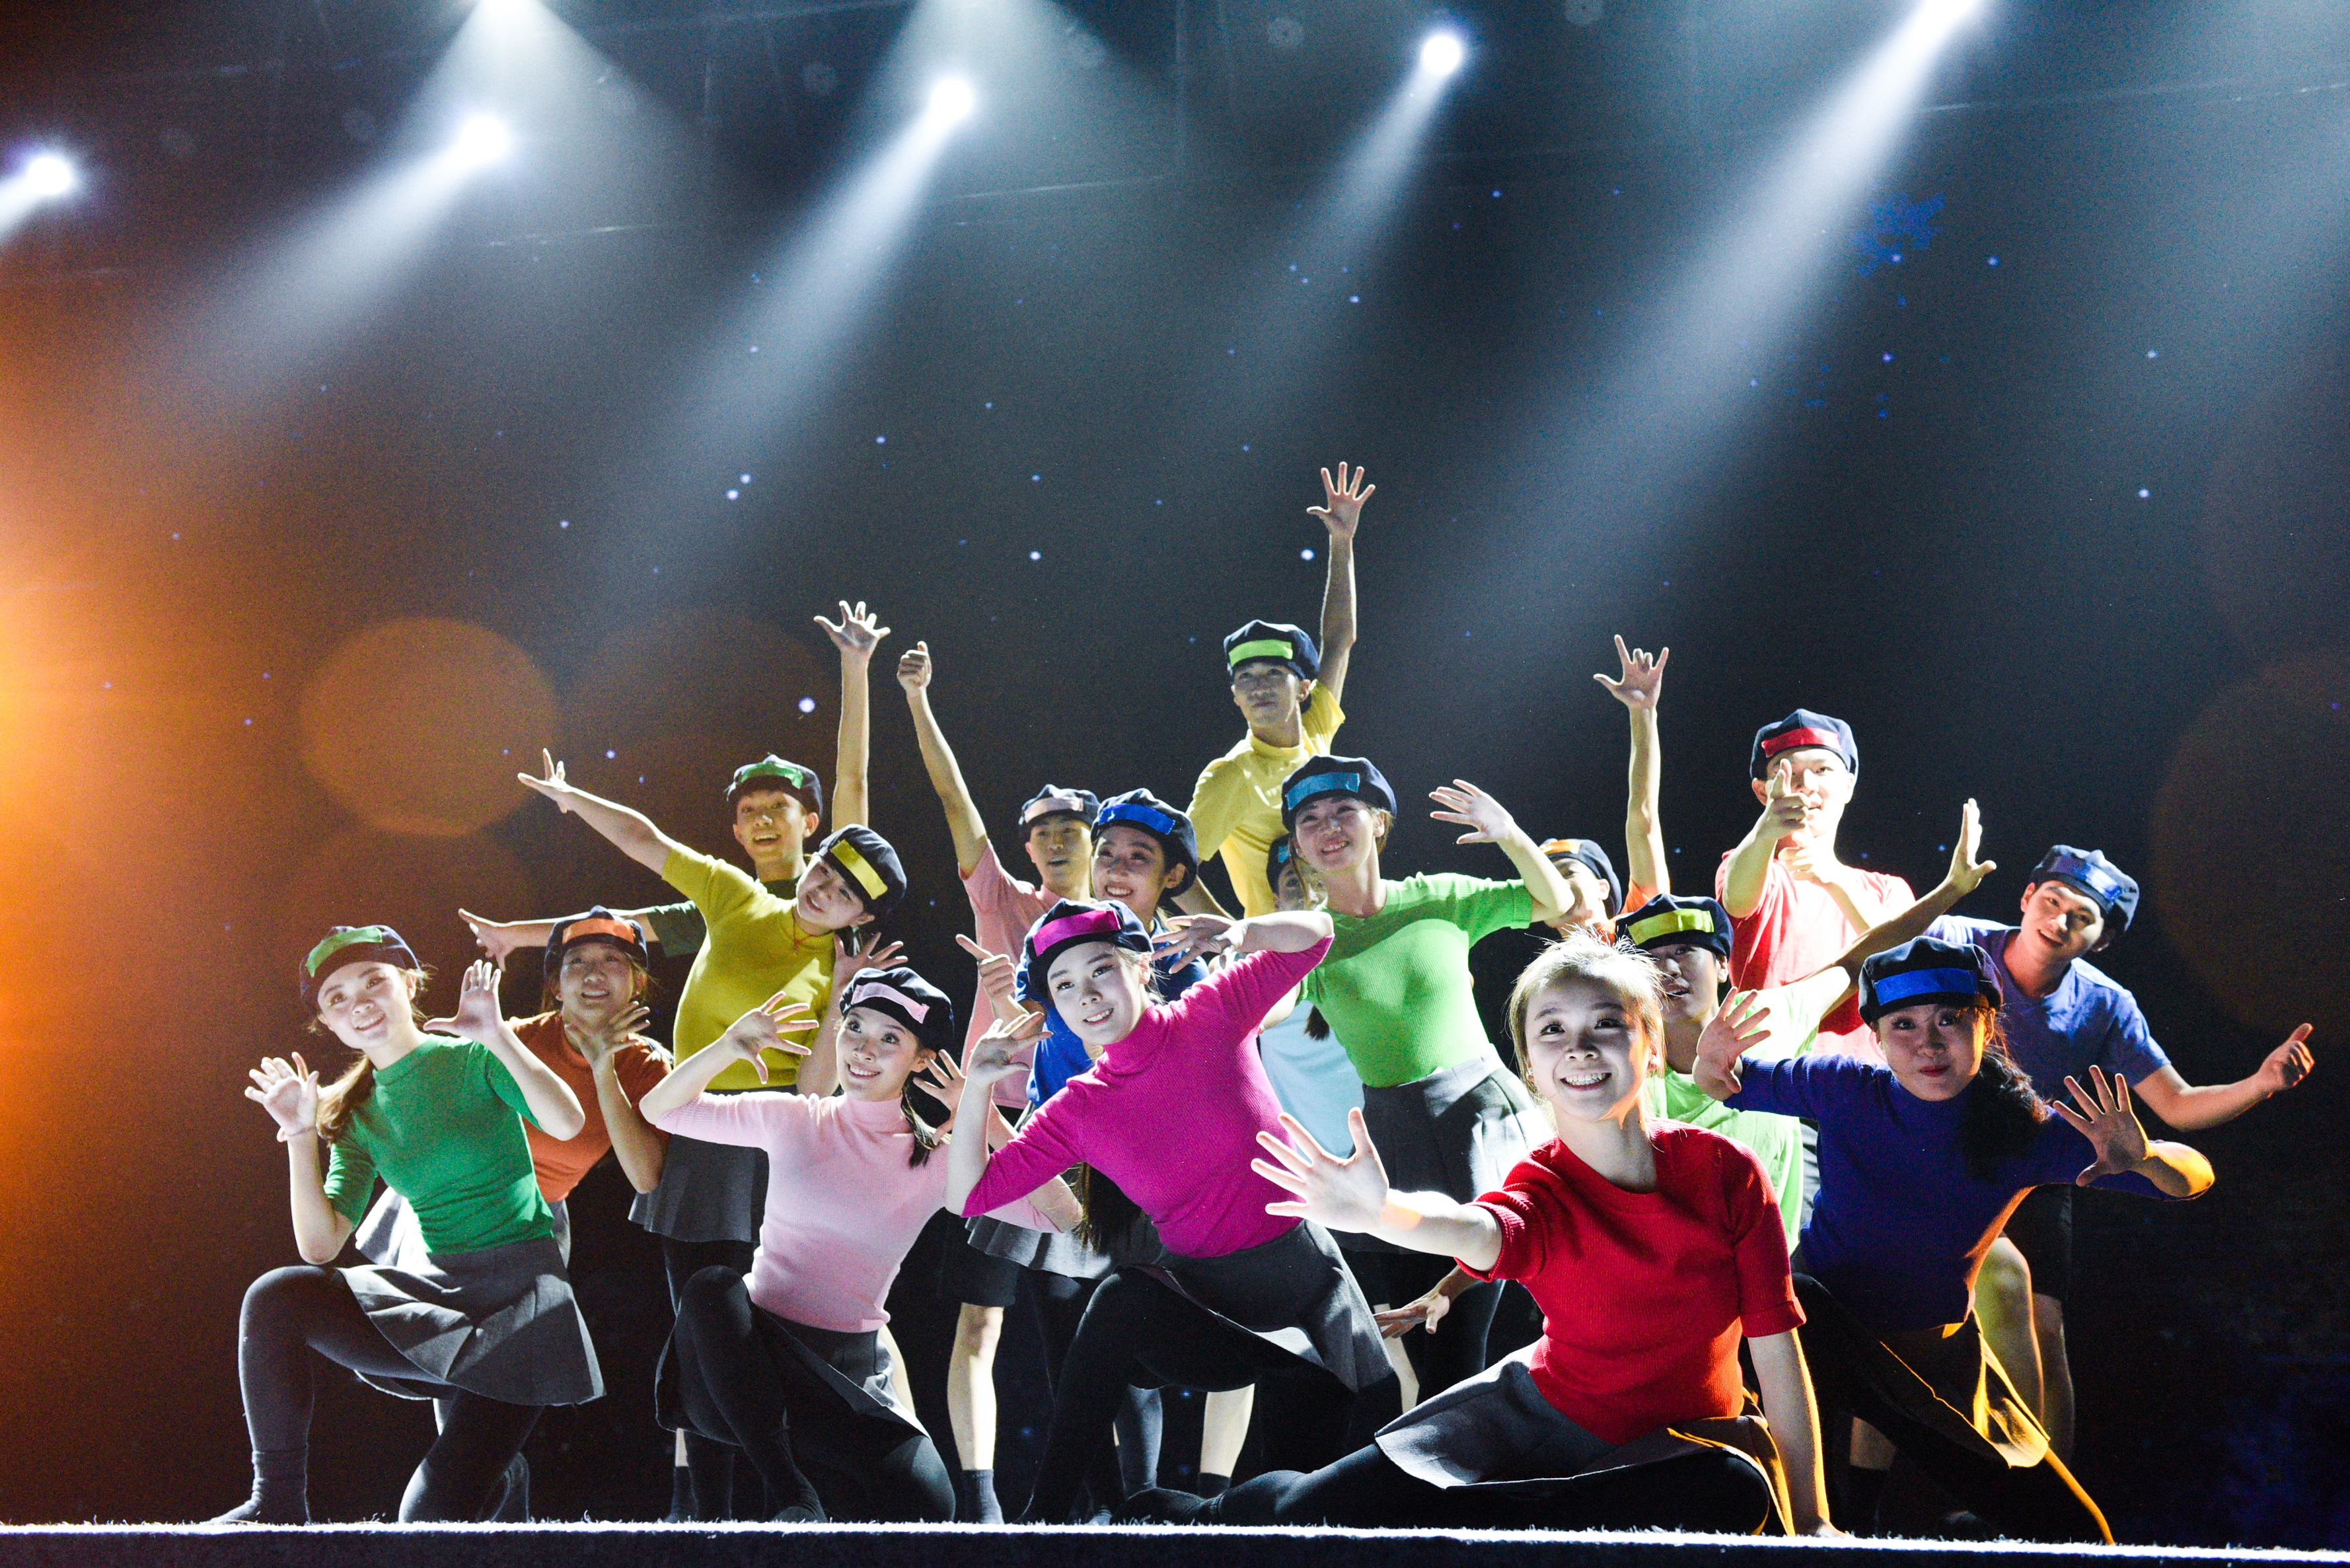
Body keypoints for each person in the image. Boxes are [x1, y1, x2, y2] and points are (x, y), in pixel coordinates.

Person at [1125, 930, 1833, 1534]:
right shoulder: (1541, 1186)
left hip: (1673, 1451)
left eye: (1605, 1024)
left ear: (1650, 1044)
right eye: (1552, 1030)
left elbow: (1776, 1351)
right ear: (1530, 1068)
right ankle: (1186, 1517)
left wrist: (1812, 1521)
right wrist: (1383, 1212)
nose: (1579, 1047)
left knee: (1732, 1493)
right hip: (1533, 1421)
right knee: (1306, 1515)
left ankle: (1491, 1527)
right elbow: (1478, 1229)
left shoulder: (1725, 1172)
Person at [1698, 936, 2217, 1541]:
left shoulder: (2025, 1132)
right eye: (1904, 1025)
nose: (1928, 1043)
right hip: (1816, 1341)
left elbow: (2192, 1179)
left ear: (1986, 1024)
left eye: (1949, 1019)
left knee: (2078, 1535)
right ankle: (1841, 1516)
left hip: (1933, 1360)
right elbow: (1722, 1084)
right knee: (1798, 1318)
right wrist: (1709, 1060)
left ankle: (1860, 1511)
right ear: (1876, 1036)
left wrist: (2148, 1157)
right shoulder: (1843, 1088)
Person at [504, 749, 904, 1518]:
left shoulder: (842, 970)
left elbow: (815, 1088)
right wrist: (570, 797)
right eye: (826, 872)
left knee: (769, 1330)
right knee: (698, 1323)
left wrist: (841, 999)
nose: (825, 890)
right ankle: (705, 1512)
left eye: (846, 893)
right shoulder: (735, 896)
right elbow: (644, 839)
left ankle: (800, 1492)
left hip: (780, 1148)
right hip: (700, 1133)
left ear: (860, 915)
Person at [948, 898, 1399, 1522]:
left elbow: (1317, 935)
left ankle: (1173, 1512)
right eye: (1064, 986)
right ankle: (1042, 1519)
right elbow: (966, 1196)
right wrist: (976, 1088)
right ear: (1052, 1008)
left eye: (1101, 969)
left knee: (1317, 1507)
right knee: (1121, 1296)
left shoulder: (1212, 1010)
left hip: (1306, 1304)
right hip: (1211, 1317)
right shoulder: (1078, 1108)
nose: (1087, 995)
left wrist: (1244, 931)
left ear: (1141, 967)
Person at [640, 962, 1078, 1522]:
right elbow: (661, 1110)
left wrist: (986, 1115)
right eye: (854, 1028)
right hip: (743, 1368)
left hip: (841, 1377)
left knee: (930, 1506)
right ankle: (793, 1496)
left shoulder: (936, 1160)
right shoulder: (794, 1118)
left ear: (921, 1059)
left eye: (890, 1038)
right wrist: (728, 1046)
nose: (864, 1049)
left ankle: (804, 1489)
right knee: (712, 1287)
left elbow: (1063, 1217)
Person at [1930, 845, 2315, 1460]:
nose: (2058, 920)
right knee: (1934, 1313)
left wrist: (2259, 1084)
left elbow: (2177, 1105)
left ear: (2102, 940)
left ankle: (2051, 1492)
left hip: (2034, 1166)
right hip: (1935, 1150)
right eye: (2051, 901)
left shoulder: (2105, 1004)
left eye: (2081, 917)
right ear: (2027, 897)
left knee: (2043, 1327)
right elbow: (1872, 961)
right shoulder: (1954, 939)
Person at [213, 931, 598, 1524]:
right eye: (337, 998)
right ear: (326, 1023)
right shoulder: (354, 1111)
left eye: (374, 981)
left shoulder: (474, 1058)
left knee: (424, 1526)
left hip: (519, 1310)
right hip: (439, 1304)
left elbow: (568, 1123)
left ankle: (501, 1477)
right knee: (276, 1296)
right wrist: (300, 1135)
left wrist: (497, 1036)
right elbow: (321, 1245)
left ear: (410, 985)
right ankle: (278, 1501)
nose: (359, 1003)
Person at [350, 908, 672, 1518]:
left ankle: (496, 1493)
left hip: (530, 1226)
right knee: (456, 1384)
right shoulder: (513, 1036)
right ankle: (491, 1493)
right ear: (554, 984)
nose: (593, 974)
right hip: (444, 1210)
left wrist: (605, 1065)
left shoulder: (647, 1064)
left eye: (612, 961)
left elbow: (644, 1177)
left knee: (481, 1393)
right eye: (576, 963)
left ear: (637, 982)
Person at [1282, 755, 1574, 1398]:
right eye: (1309, 820)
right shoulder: (1310, 941)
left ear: (1378, 823)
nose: (1328, 828)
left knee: (1497, 1334)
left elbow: (1555, 901)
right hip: (1397, 1145)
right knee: (1430, 1352)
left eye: (1343, 811)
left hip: (1484, 1126)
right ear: (1297, 845)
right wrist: (1240, 946)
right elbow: (1262, 1008)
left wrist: (1507, 833)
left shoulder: (1438, 896)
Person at [895, 634, 1099, 1520]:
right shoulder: (1001, 900)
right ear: (1026, 845)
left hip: (1077, 1135)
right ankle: (978, 1504)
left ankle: (1082, 1501)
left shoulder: (1116, 928)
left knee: (1077, 1327)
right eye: (1041, 831)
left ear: (1094, 840)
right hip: (988, 1122)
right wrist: (917, 699)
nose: (1054, 840)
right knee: (978, 1319)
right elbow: (954, 798)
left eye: (1070, 829)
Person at [457, 600, 886, 966]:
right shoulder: (726, 901)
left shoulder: (843, 883)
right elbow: (622, 915)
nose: (762, 819)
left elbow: (853, 780)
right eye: (749, 810)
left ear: (811, 823)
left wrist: (855, 665)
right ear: (737, 833)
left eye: (778, 805)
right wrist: (511, 934)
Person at [1183, 462, 1373, 919]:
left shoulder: (1317, 731)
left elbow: (1339, 640)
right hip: (1277, 951)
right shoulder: (1230, 776)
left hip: (1341, 932)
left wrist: (1342, 541)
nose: (1258, 686)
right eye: (1245, 677)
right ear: (1234, 696)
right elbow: (1173, 867)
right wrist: (1227, 934)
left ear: (1304, 688)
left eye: (1273, 673)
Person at [1717, 709, 1913, 1058]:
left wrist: (1833, 877)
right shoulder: (1753, 868)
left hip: (1872, 1076)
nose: (1806, 784)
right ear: (1762, 792)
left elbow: (1905, 962)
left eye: (1823, 770)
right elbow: (1736, 899)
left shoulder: (1888, 890)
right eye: (1787, 772)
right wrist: (1764, 831)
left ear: (1848, 786)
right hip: (1773, 1077)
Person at [1251, 836, 1362, 1158]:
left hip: (1387, 1142)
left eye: (1317, 879)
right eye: (1292, 883)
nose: (1309, 894)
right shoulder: (1253, 969)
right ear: (1276, 902)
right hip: (1305, 1162)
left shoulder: (1375, 948)